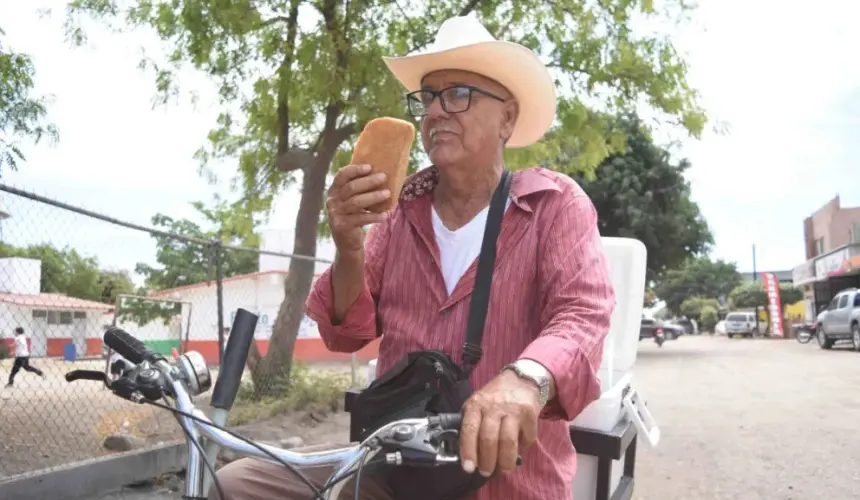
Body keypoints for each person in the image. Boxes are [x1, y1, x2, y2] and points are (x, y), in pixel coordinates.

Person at [210, 13, 615, 500]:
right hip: (394, 465)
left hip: (502, 481)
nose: (436, 112)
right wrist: (347, 244)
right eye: (427, 98)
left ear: (507, 117)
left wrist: (525, 379)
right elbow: (345, 333)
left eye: (458, 94)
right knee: (234, 485)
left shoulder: (553, 207)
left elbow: (582, 316)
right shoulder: (398, 209)